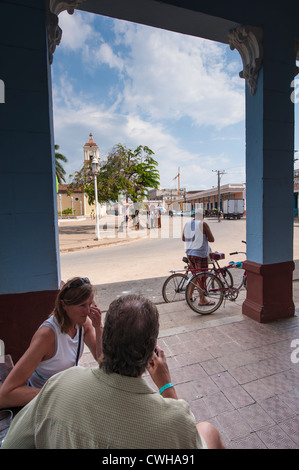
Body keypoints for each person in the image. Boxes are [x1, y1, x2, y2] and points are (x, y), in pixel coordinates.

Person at [2, 294, 225, 449]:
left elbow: (13, 443)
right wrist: (167, 387)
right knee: (207, 430)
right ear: (151, 354)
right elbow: (188, 438)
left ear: (105, 340)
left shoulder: (60, 383)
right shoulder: (175, 420)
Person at [0, 277, 102, 410]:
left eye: (90, 304)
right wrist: (57, 395)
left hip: (67, 389)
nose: (88, 311)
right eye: (82, 305)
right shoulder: (47, 336)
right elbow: (6, 394)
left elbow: (101, 360)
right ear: (64, 305)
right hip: (46, 399)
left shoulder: (83, 323)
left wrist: (98, 328)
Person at [182, 208, 215, 306]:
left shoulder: (187, 224)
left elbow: (184, 238)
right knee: (201, 278)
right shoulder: (203, 224)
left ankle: (189, 296)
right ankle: (202, 300)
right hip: (200, 254)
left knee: (195, 276)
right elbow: (212, 239)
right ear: (203, 216)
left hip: (190, 254)